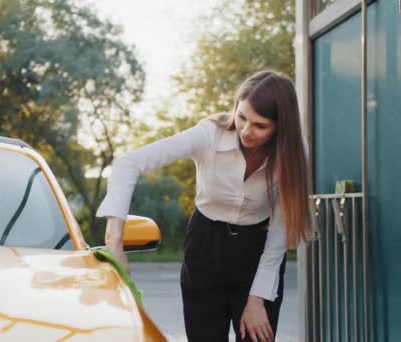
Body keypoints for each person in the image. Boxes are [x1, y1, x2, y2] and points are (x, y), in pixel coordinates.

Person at [95, 70, 311, 342]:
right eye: (241, 116)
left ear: (281, 127)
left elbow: (279, 232)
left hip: (257, 250)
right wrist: (116, 244)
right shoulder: (209, 135)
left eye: (260, 125)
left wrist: (257, 300)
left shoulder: (293, 153)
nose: (245, 130)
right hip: (205, 245)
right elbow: (129, 163)